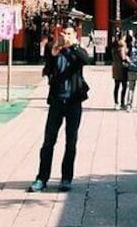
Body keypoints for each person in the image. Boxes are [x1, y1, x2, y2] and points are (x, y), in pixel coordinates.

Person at [30, 27, 90, 193]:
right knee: (48, 141)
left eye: (69, 34)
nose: (66, 37)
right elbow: (47, 70)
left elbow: (86, 60)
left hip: (74, 101)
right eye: (64, 33)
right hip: (56, 101)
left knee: (71, 142)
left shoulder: (77, 51)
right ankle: (41, 178)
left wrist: (74, 46)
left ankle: (66, 178)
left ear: (75, 36)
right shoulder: (53, 48)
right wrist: (53, 55)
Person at [111, 37, 129, 110]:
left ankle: (116, 102)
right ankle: (122, 102)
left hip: (115, 68)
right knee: (124, 86)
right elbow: (123, 58)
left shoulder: (114, 49)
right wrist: (128, 59)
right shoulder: (122, 48)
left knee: (116, 86)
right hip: (122, 69)